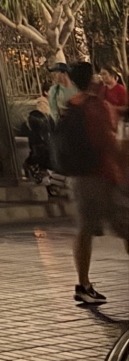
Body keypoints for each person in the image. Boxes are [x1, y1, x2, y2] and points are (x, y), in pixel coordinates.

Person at [59, 60, 125, 308]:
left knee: (85, 230)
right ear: (91, 79)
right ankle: (83, 285)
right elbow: (107, 141)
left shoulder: (71, 105)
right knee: (123, 225)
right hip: (100, 177)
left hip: (79, 177)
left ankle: (83, 284)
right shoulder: (95, 106)